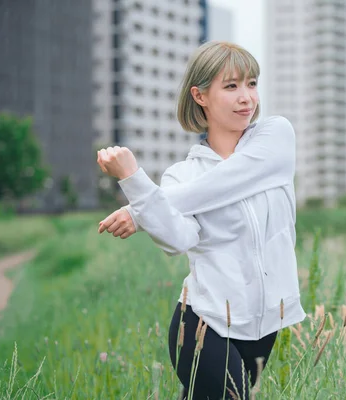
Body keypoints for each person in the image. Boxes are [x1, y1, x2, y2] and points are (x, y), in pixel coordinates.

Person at [96, 41, 306, 399]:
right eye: (231, 86)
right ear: (200, 95)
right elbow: (177, 241)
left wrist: (140, 209)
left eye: (251, 84)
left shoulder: (276, 138)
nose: (247, 98)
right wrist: (135, 181)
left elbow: (228, 181)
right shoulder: (182, 175)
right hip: (201, 324)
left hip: (264, 324)